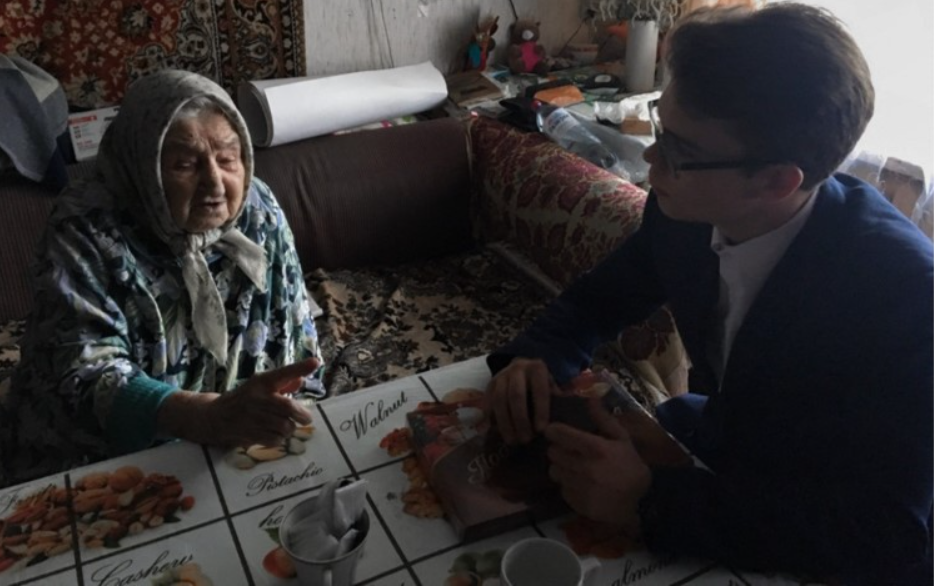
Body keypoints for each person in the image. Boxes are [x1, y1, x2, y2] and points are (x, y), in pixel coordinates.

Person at [486, 3, 932, 584]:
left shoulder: (908, 300)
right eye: (660, 124)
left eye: (679, 150)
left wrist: (651, 502)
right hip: (720, 447)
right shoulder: (683, 213)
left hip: (820, 525)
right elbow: (599, 299)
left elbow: (883, 532)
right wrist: (535, 358)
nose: (650, 159)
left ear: (776, 181)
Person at [0, 70, 325, 487]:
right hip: (104, 450)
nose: (214, 183)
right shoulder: (85, 227)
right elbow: (84, 370)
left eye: (228, 158)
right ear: (143, 163)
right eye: (184, 164)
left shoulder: (257, 208)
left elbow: (292, 324)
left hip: (232, 431)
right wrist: (204, 417)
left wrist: (281, 409)